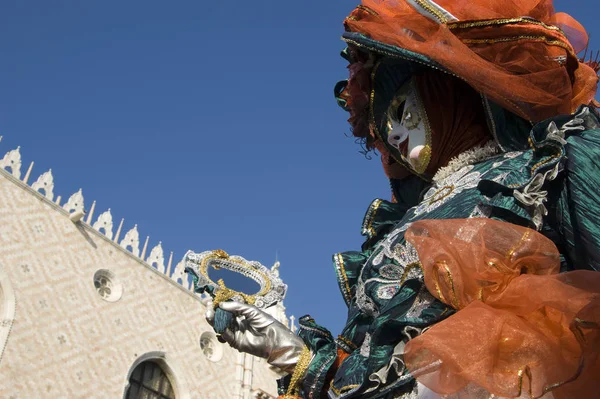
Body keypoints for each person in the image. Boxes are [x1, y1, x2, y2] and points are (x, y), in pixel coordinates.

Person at [204, 1, 600, 398]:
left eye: (400, 110)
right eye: (384, 124)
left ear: (447, 93)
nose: (393, 137)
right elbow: (378, 368)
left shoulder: (541, 171)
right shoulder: (403, 222)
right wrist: (288, 352)